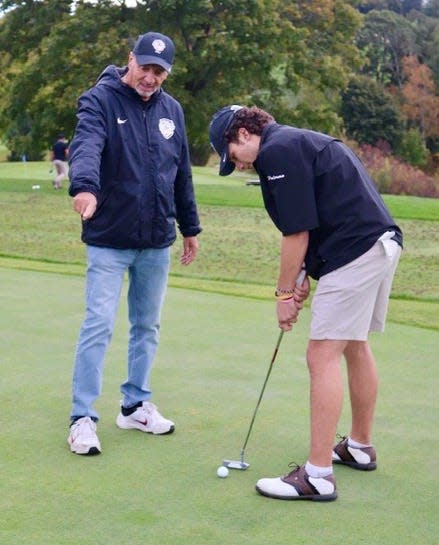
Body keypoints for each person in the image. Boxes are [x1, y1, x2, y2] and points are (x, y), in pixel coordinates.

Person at [209, 105, 402, 501]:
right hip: (377, 244)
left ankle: (317, 475)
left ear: (243, 133)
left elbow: (295, 232)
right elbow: (315, 218)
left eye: (231, 154)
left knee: (322, 354)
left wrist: (282, 294)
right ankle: (360, 447)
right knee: (354, 344)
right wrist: (302, 276)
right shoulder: (294, 142)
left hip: (355, 250)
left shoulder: (278, 151)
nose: (236, 164)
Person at [67, 31, 201, 456]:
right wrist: (85, 187)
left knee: (147, 326)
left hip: (156, 238)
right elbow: (86, 146)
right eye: (145, 67)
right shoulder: (99, 100)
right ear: (130, 60)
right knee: (99, 325)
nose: (150, 77)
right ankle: (82, 417)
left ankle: (135, 404)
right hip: (109, 236)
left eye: (159, 71)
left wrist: (190, 227)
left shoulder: (172, 110)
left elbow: (180, 174)